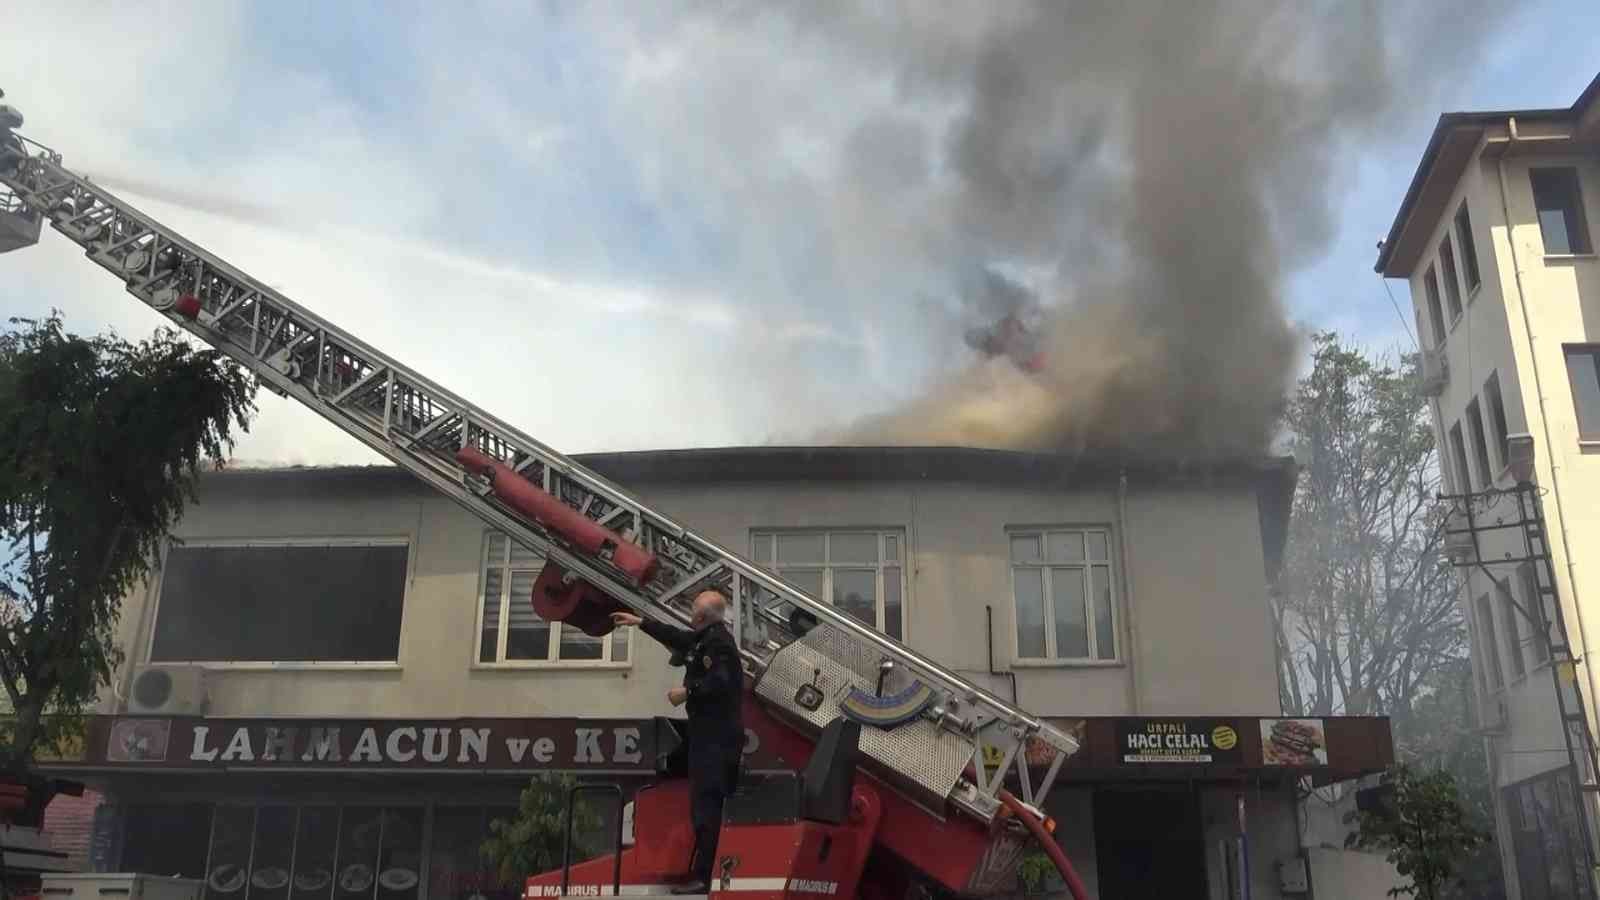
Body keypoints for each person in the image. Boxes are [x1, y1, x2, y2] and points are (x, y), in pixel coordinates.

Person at [611, 590, 743, 894]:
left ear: (701, 616)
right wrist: (640, 622)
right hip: (706, 735)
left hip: (716, 739)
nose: (690, 614)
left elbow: (721, 681)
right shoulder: (706, 638)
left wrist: (688, 691)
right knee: (688, 787)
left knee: (706, 807)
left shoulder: (719, 644)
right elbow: (677, 637)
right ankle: (697, 870)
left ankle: (704, 877)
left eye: (694, 609)